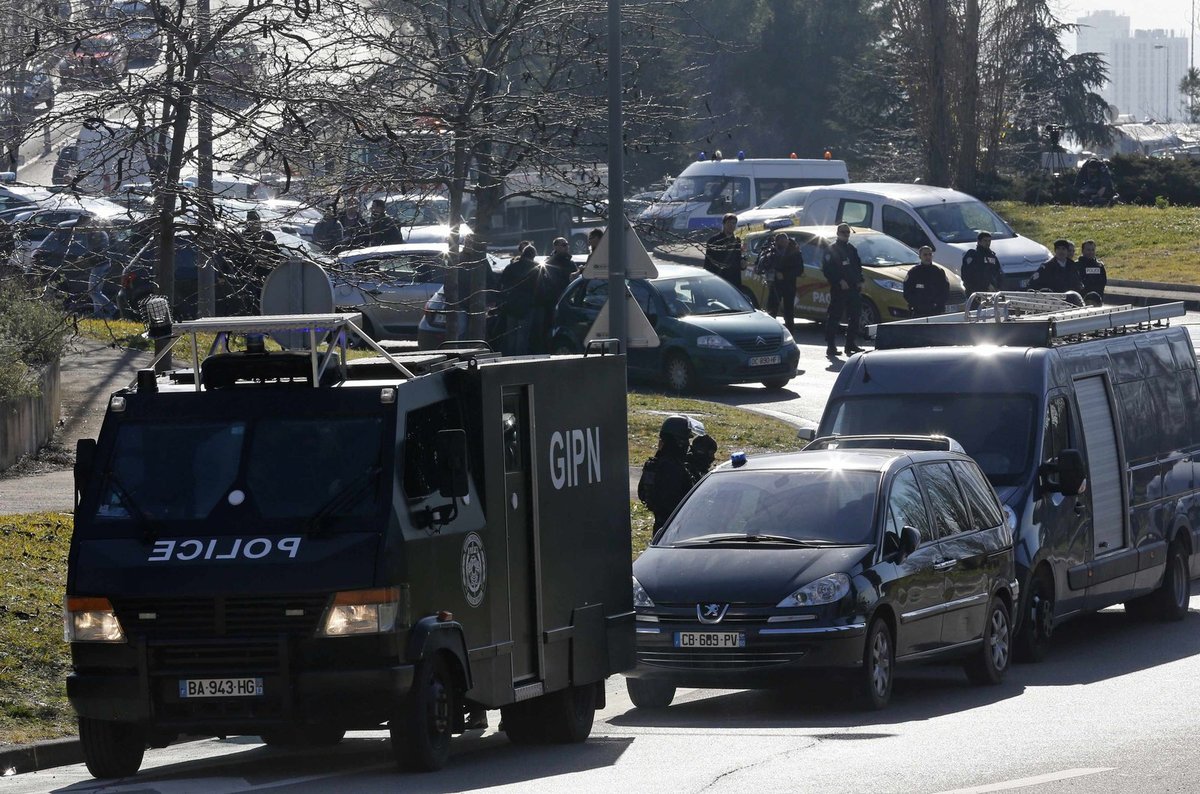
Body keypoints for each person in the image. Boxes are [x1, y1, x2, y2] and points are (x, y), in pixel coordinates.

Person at [637, 416, 696, 531]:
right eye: (686, 440)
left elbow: (642, 494)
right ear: (679, 442)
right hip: (675, 527)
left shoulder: (657, 463)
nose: (688, 445)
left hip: (661, 525)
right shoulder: (672, 469)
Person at [822, 223, 865, 357]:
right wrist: (839, 280)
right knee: (835, 316)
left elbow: (858, 267)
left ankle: (850, 344)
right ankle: (831, 346)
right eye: (843, 232)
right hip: (839, 289)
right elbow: (827, 269)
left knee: (855, 316)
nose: (846, 234)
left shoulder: (852, 249)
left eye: (847, 232)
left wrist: (860, 280)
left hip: (853, 288)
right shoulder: (831, 249)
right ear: (838, 233)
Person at [534, 237, 575, 352]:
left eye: (567, 244)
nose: (567, 246)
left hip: (565, 301)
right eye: (564, 244)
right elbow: (551, 282)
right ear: (556, 247)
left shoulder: (568, 262)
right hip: (553, 301)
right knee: (550, 327)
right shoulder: (551, 263)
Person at [497, 244, 539, 356]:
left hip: (511, 304)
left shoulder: (511, 267)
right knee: (523, 335)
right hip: (527, 305)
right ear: (533, 255)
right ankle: (520, 358)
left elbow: (502, 285)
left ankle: (509, 357)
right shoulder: (536, 268)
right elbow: (540, 287)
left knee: (511, 334)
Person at [757, 232, 802, 331]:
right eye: (781, 241)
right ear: (776, 242)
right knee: (772, 310)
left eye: (785, 241)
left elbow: (799, 270)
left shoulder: (795, 252)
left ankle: (790, 332)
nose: (784, 243)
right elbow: (762, 266)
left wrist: (785, 275)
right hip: (774, 285)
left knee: (788, 311)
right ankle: (769, 331)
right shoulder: (772, 251)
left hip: (789, 285)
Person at [903, 246, 950, 318]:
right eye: (925, 255)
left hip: (936, 311)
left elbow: (945, 291)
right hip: (918, 312)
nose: (928, 257)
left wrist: (937, 303)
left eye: (930, 254)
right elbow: (907, 292)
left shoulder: (939, 272)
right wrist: (917, 304)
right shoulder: (914, 272)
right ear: (920, 256)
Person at [84, 229, 117, 318]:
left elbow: (96, 250)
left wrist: (84, 257)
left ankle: (113, 309)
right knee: (97, 292)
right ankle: (97, 315)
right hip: (103, 263)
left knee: (92, 292)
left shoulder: (96, 233)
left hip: (100, 265)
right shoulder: (100, 232)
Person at [704, 213, 743, 288]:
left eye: (734, 223)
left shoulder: (737, 240)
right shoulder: (714, 240)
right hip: (718, 278)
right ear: (724, 224)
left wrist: (743, 263)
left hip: (734, 279)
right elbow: (708, 262)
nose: (731, 225)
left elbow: (738, 258)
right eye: (729, 223)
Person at [960, 231, 1002, 300]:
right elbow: (969, 274)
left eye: (989, 241)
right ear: (979, 241)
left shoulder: (992, 257)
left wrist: (997, 286)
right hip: (975, 292)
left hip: (991, 292)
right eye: (985, 241)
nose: (987, 243)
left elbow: (998, 272)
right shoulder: (973, 255)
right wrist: (986, 285)